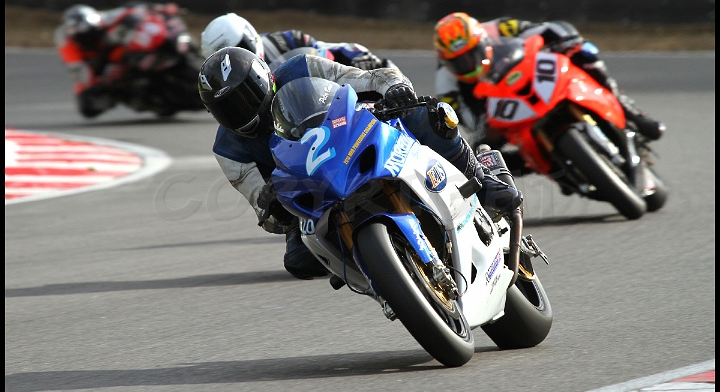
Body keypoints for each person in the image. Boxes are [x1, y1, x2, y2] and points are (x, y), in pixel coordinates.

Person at [198, 47, 522, 279]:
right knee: (300, 261)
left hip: (352, 136)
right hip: (307, 187)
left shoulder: (301, 67)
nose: (241, 113)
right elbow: (264, 211)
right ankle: (381, 277)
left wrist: (394, 89)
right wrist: (272, 207)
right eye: (227, 108)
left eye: (245, 98)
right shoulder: (229, 150)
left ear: (264, 80)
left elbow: (368, 78)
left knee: (426, 115)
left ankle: (479, 175)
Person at [433, 12, 667, 170]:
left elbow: (547, 29)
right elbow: (463, 117)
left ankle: (633, 115)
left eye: (472, 54)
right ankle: (543, 168)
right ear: (446, 61)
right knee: (480, 157)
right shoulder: (445, 78)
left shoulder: (499, 28)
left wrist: (566, 41)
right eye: (459, 62)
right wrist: (484, 126)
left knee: (586, 55)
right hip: (499, 107)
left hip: (529, 74)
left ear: (482, 40)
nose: (469, 64)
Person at [54, 1, 190, 118]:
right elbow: (77, 67)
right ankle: (147, 101)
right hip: (100, 66)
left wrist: (161, 8)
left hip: (126, 51)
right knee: (88, 106)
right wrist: (99, 82)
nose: (90, 37)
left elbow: (135, 7)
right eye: (85, 36)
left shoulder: (107, 18)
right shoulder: (66, 41)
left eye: (93, 32)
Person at [199, 12, 395, 70]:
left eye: (240, 48)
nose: (237, 58)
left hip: (332, 103)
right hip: (286, 132)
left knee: (385, 67)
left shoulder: (287, 41)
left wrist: (362, 58)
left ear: (250, 36)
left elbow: (334, 49)